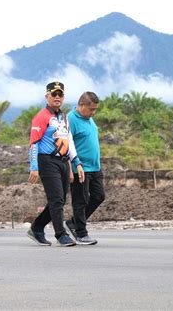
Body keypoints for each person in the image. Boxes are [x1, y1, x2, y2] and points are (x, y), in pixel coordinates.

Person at [27, 81, 85, 247]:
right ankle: (61, 234)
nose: (57, 97)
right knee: (56, 199)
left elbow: (69, 140)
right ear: (47, 96)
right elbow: (33, 143)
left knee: (59, 200)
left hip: (63, 162)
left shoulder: (64, 117)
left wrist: (76, 162)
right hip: (47, 161)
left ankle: (37, 227)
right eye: (54, 94)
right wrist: (34, 167)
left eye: (60, 94)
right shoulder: (41, 116)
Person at [64, 91, 105, 245]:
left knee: (99, 196)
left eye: (95, 109)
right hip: (80, 167)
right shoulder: (70, 120)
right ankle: (81, 233)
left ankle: (73, 222)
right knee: (80, 200)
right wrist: (71, 167)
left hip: (95, 167)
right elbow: (66, 145)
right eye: (91, 109)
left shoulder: (89, 119)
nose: (93, 113)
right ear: (81, 105)